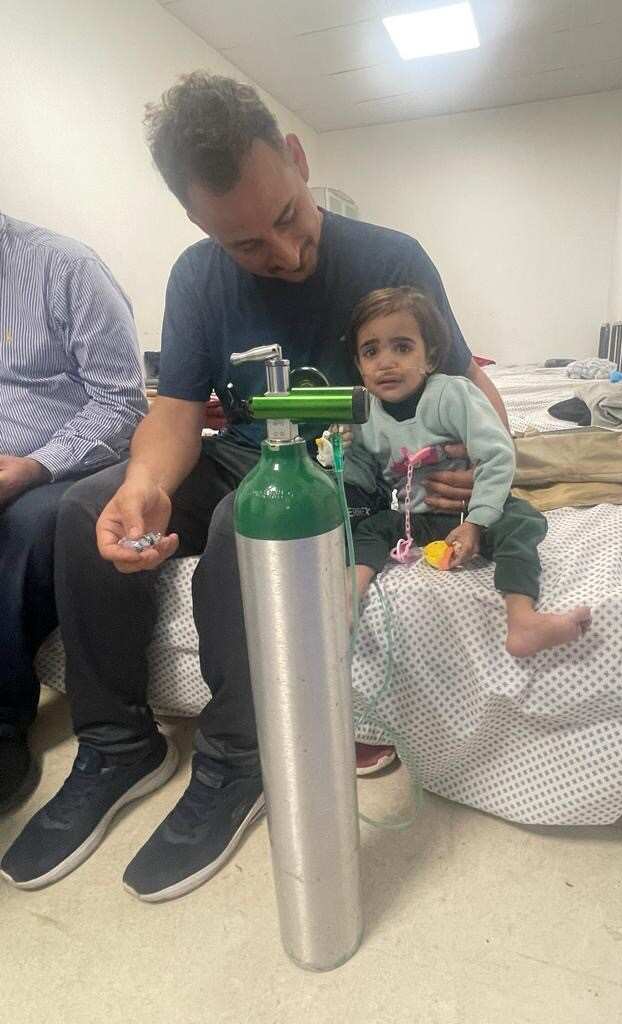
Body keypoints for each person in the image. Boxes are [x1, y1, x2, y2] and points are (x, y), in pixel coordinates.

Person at [0, 72, 509, 902]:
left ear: (298, 160)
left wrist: (479, 462)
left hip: (347, 468)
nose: (282, 254)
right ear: (199, 223)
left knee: (254, 519)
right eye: (245, 244)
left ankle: (240, 753)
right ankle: (118, 741)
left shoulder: (390, 257)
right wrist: (145, 487)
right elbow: (171, 414)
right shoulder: (197, 277)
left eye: (286, 218)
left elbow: (467, 390)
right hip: (243, 446)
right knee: (81, 508)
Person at [342, 287, 592, 654]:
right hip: (412, 517)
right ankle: (346, 603)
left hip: (468, 512)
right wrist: (339, 456)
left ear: (430, 358)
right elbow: (364, 474)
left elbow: (497, 454)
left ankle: (522, 619)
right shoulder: (364, 414)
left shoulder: (453, 395)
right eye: (371, 351)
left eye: (402, 347)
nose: (385, 362)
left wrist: (476, 522)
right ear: (359, 365)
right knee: (368, 530)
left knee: (521, 521)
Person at [0, 213, 147, 813]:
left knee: (26, 526)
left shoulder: (64, 268)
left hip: (62, 463)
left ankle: (4, 721)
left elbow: (123, 403)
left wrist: (30, 467)